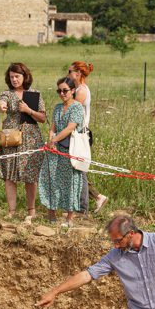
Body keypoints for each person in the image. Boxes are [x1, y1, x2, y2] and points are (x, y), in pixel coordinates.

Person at [0, 62, 47, 221]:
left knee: (30, 175)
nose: (14, 80)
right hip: (11, 137)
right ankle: (11, 211)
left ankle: (31, 210)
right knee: (9, 174)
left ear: (24, 76)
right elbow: (2, 101)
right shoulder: (7, 93)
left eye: (17, 76)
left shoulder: (35, 94)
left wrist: (28, 110)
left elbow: (43, 118)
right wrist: (2, 105)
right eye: (11, 77)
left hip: (31, 138)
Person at [39, 76, 86, 227]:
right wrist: (51, 139)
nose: (62, 93)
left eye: (65, 90)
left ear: (72, 91)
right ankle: (51, 214)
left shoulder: (77, 107)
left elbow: (70, 127)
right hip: (55, 150)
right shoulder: (58, 108)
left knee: (71, 182)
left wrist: (54, 140)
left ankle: (69, 218)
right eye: (59, 91)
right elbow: (53, 127)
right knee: (50, 178)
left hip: (70, 149)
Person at [67, 61, 108, 213]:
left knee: (79, 170)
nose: (68, 74)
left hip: (80, 135)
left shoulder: (81, 91)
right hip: (77, 134)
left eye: (70, 71)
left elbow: (72, 111)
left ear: (78, 73)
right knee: (77, 169)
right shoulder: (77, 89)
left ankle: (82, 207)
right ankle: (97, 197)